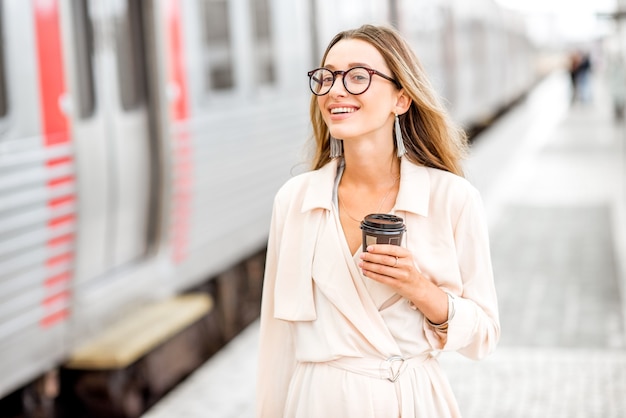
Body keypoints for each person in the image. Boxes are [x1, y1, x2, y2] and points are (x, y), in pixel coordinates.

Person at [256, 24, 500, 418]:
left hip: (413, 402)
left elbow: (484, 338)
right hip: (318, 404)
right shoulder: (295, 201)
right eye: (327, 77)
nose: (336, 90)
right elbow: (276, 344)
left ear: (401, 98)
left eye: (357, 77)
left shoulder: (452, 199)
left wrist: (421, 290)